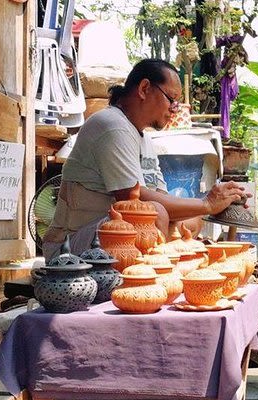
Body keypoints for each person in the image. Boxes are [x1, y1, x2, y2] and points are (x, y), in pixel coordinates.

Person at [42, 59, 247, 260]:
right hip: (70, 248)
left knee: (191, 220)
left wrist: (217, 205)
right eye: (171, 99)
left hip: (112, 238)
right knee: (153, 216)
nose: (175, 109)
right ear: (144, 88)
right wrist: (207, 204)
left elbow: (161, 199)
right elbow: (133, 201)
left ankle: (159, 268)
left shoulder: (144, 138)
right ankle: (152, 273)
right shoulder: (111, 126)